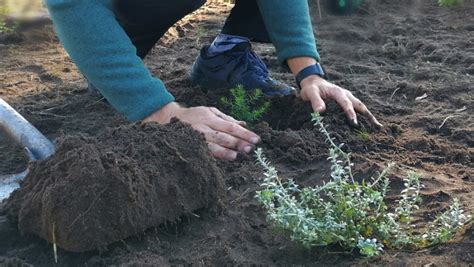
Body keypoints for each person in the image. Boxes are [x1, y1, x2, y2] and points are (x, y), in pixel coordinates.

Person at [44, 0, 382, 161]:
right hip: (121, 11)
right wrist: (162, 113)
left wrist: (309, 72)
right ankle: (115, 73)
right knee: (115, 77)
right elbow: (71, 4)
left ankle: (227, 51)